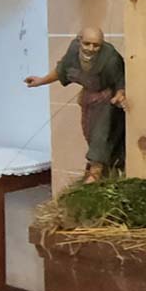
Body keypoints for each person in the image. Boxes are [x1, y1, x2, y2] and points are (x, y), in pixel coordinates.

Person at [25, 27, 126, 183]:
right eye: (87, 44)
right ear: (79, 41)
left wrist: (119, 94)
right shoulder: (73, 50)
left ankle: (95, 172)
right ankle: (103, 172)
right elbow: (62, 70)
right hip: (88, 99)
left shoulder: (111, 58)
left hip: (106, 101)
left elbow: (120, 80)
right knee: (90, 134)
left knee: (101, 133)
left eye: (96, 45)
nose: (91, 49)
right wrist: (41, 81)